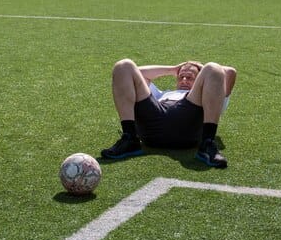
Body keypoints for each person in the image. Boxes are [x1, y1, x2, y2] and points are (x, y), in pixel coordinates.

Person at [101, 58, 237, 168]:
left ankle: (207, 143)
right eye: (181, 77)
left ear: (200, 81)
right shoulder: (161, 94)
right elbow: (134, 72)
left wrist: (203, 68)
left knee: (213, 67)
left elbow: (229, 72)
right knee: (123, 65)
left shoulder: (209, 97)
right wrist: (173, 69)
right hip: (152, 124)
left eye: (190, 77)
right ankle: (129, 138)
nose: (184, 80)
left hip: (188, 124)